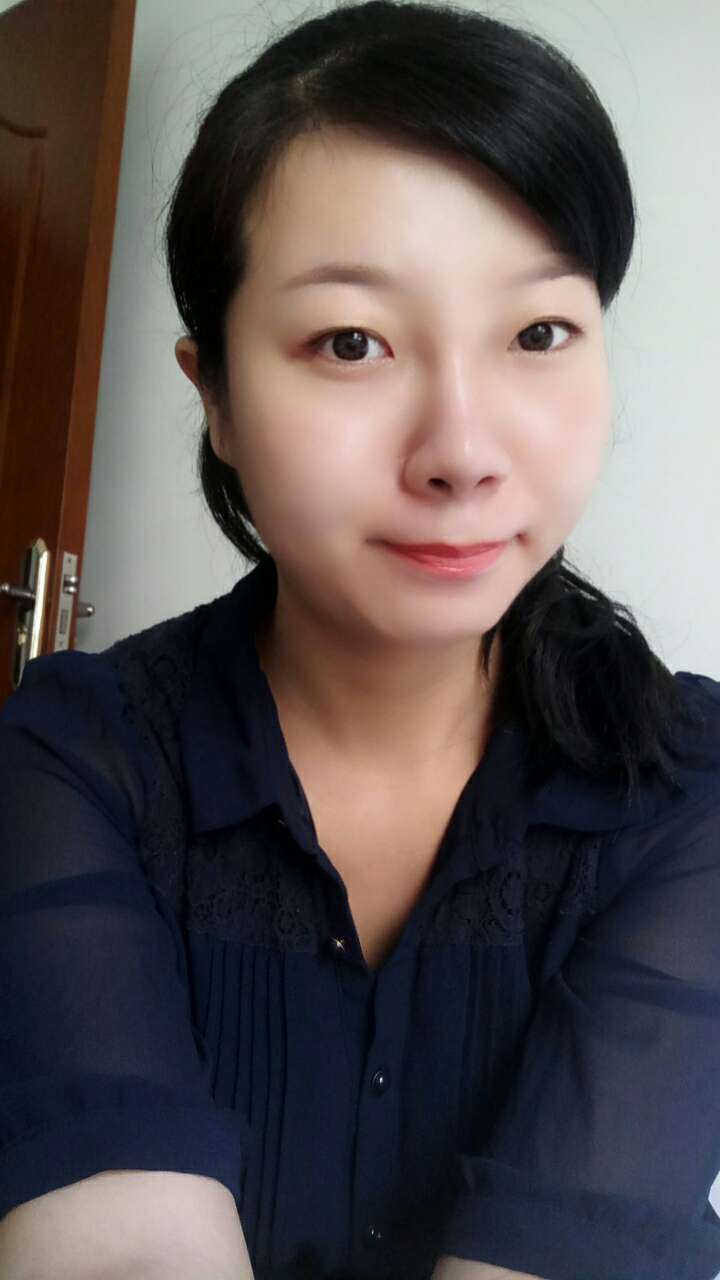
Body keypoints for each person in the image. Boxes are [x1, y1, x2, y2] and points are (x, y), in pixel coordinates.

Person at [1, 2, 719, 1278]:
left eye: (538, 333)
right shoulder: (73, 758)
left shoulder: (688, 780)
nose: (462, 452)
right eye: (352, 341)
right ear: (217, 395)